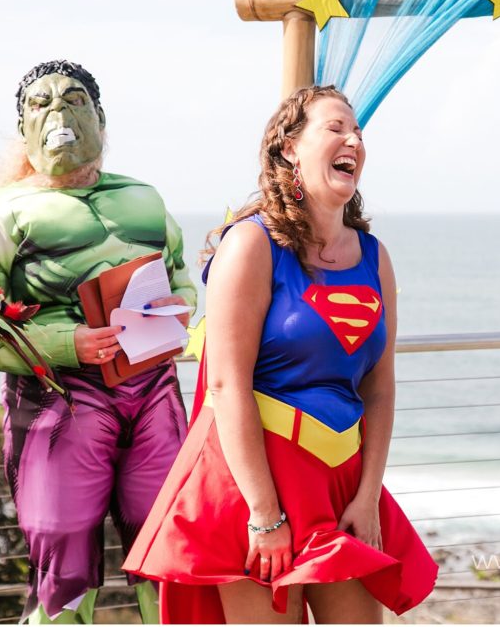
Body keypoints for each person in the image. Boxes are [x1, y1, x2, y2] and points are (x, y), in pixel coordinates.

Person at [123, 85, 437, 623]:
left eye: (358, 132)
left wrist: (366, 496)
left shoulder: (375, 256)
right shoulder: (249, 244)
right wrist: (266, 515)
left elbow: (379, 387)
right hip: (254, 487)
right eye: (336, 128)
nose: (354, 140)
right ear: (289, 146)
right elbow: (225, 385)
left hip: (342, 483)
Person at [0, 60, 195, 623]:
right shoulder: (2, 213)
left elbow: (181, 272)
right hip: (59, 401)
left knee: (170, 547)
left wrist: (181, 306)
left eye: (73, 100)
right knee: (62, 559)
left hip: (152, 392)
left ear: (100, 117)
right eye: (39, 105)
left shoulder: (144, 196)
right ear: (23, 131)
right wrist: (66, 341)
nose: (57, 113)